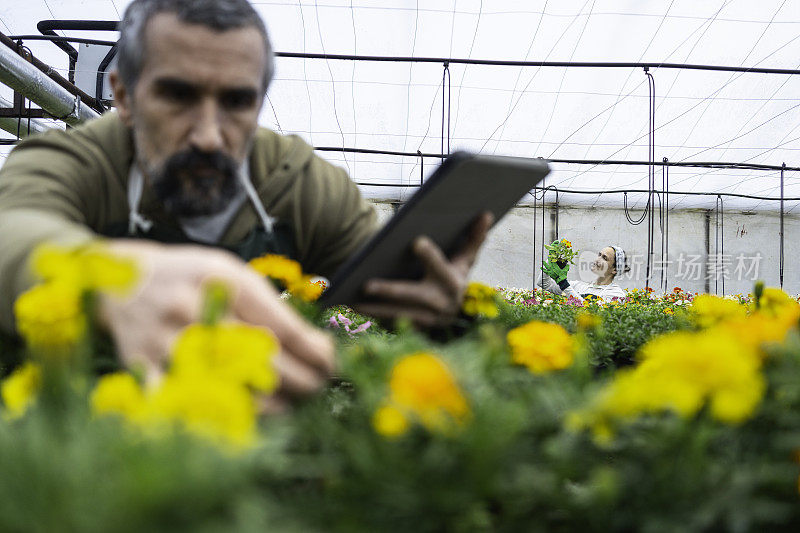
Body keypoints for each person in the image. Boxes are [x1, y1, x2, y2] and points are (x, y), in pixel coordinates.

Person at [0, 0, 492, 403]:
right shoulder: (73, 159)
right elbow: (13, 228)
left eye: (237, 102)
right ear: (124, 96)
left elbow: (385, 276)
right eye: (178, 96)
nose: (210, 137)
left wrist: (435, 303)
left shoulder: (298, 182)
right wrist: (108, 278)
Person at [538, 245, 628, 302]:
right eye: (599, 255)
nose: (597, 259)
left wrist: (564, 284)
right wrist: (551, 259)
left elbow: (588, 311)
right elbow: (544, 283)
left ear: (615, 270)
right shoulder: (580, 285)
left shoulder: (616, 294)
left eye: (604, 258)